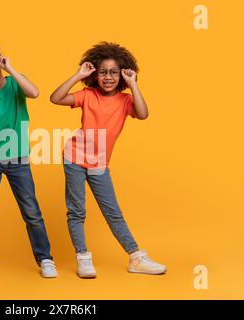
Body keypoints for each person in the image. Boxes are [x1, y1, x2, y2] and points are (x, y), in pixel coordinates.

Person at [50, 41, 166, 278]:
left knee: (112, 212)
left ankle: (136, 257)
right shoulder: (87, 95)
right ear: (95, 74)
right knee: (77, 211)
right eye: (103, 72)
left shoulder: (125, 101)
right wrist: (78, 74)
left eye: (114, 72)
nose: (108, 77)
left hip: (100, 162)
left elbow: (143, 114)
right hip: (75, 158)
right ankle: (83, 258)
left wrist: (133, 84)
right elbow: (56, 98)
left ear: (122, 74)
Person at [0, 40, 57, 280]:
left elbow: (35, 93)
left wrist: (10, 69)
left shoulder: (15, 83)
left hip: (17, 157)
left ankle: (45, 258)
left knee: (31, 211)